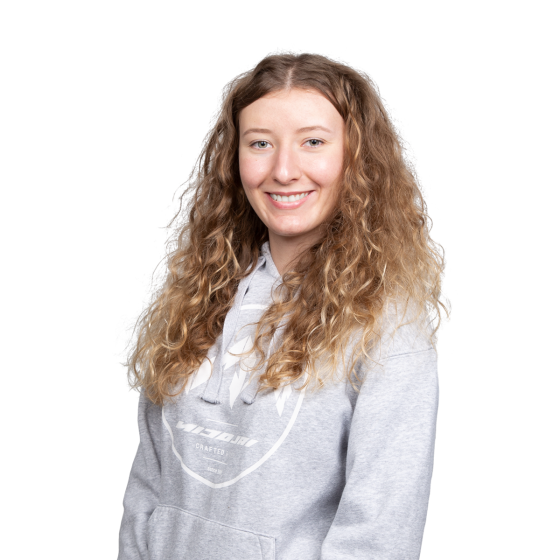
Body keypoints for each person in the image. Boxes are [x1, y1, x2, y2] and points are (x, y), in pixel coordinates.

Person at [117, 51, 451, 560]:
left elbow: (378, 535)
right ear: (235, 159)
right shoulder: (198, 297)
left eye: (313, 142)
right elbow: (149, 488)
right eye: (260, 144)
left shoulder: (388, 326)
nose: (283, 170)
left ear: (356, 157)